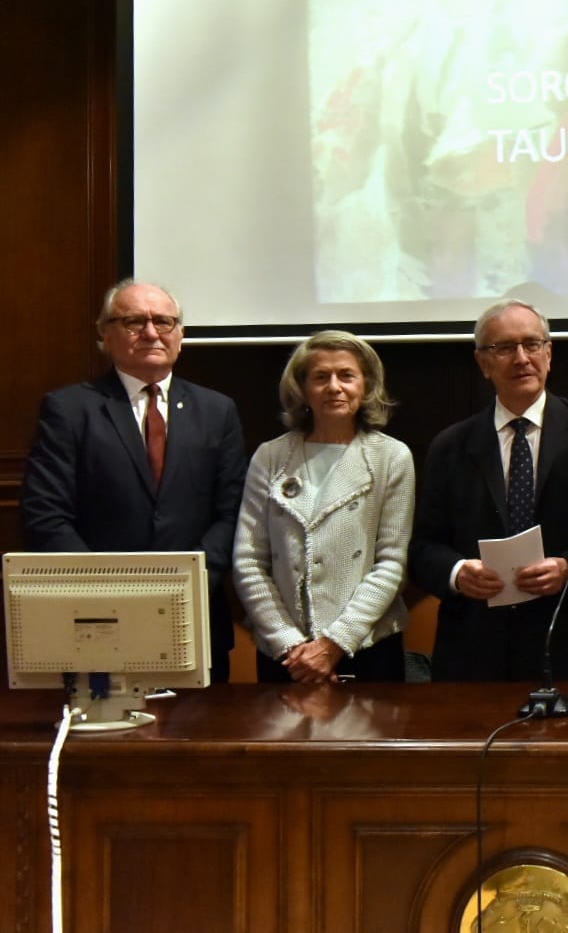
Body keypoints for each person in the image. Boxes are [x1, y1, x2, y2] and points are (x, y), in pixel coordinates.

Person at [20, 279, 247, 682]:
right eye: (133, 322)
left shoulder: (217, 410)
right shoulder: (69, 409)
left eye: (164, 321)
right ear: (104, 335)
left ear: (180, 335)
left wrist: (188, 585)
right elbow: (45, 514)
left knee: (199, 741)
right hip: (95, 621)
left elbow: (232, 513)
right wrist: (106, 593)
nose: (150, 333)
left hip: (194, 618)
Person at [408, 299, 568, 681]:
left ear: (549, 354)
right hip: (475, 649)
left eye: (531, 345)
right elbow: (422, 548)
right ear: (483, 363)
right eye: (504, 348)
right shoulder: (450, 446)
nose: (521, 358)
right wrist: (457, 573)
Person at [233, 331, 415, 683]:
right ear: (302, 388)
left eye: (346, 375)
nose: (334, 386)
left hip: (366, 648)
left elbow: (392, 562)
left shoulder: (391, 456)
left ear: (365, 386)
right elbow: (249, 560)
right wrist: (290, 645)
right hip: (285, 655)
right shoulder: (270, 456)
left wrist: (334, 645)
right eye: (320, 377)